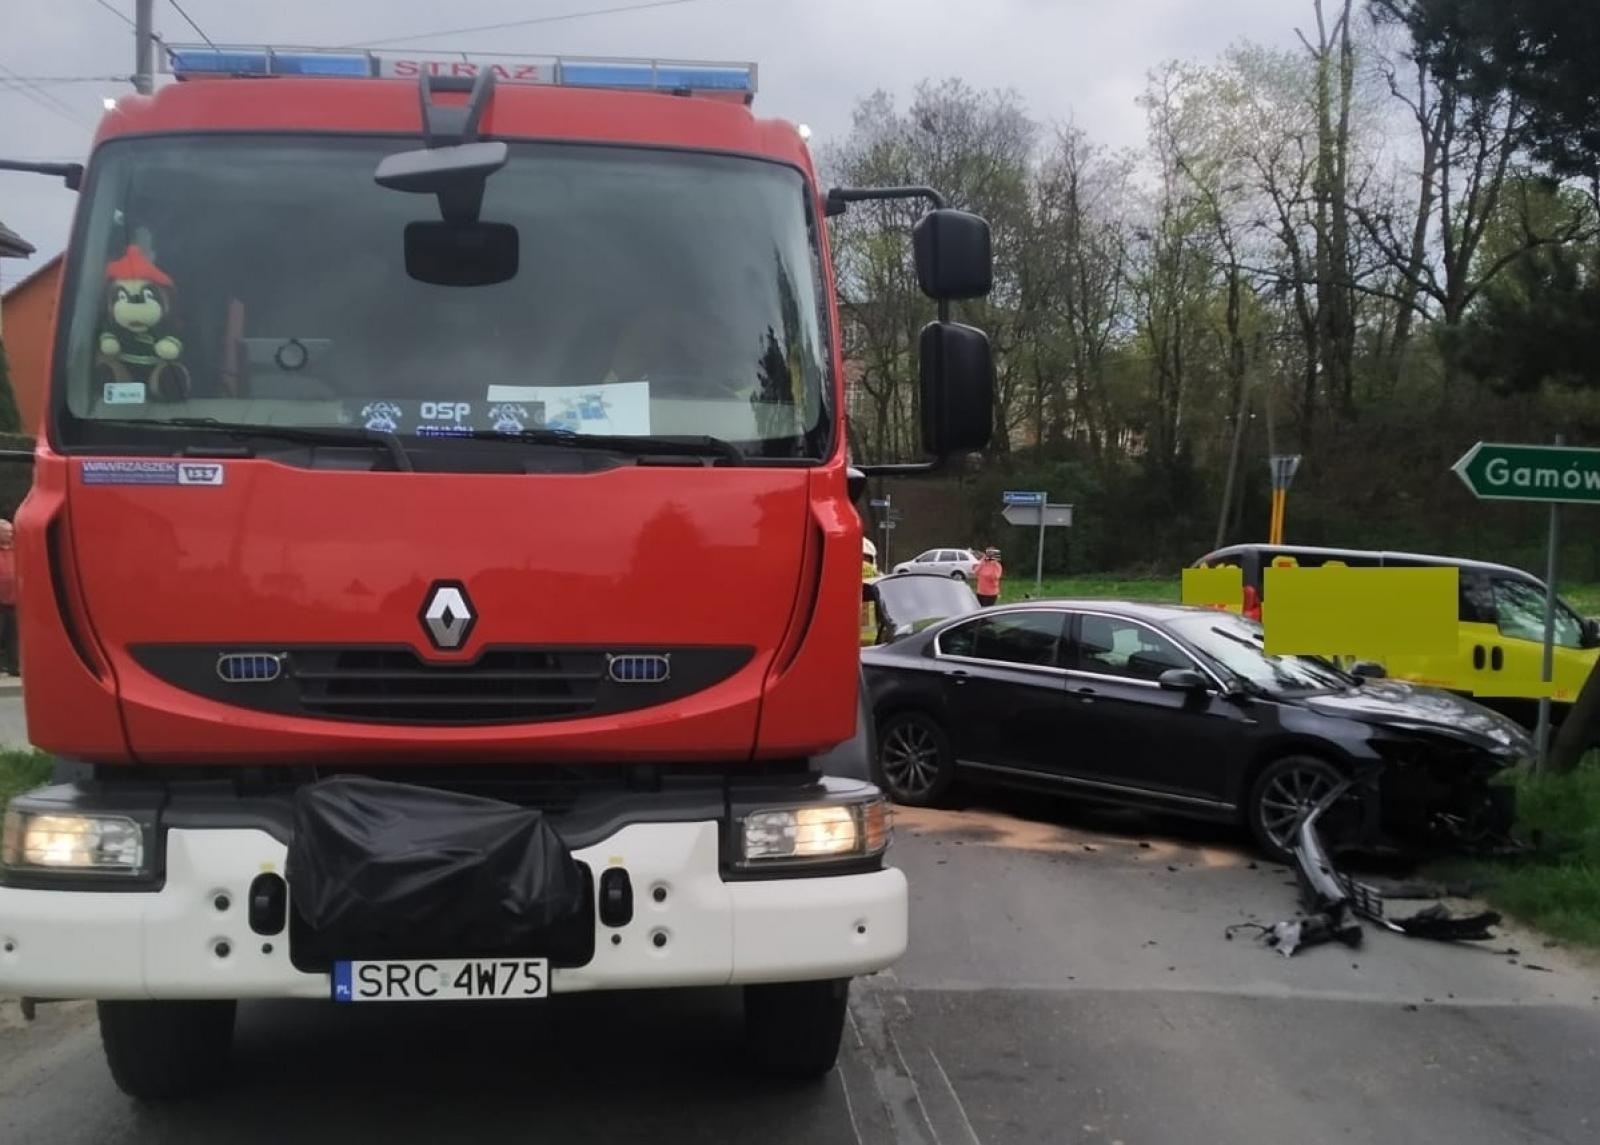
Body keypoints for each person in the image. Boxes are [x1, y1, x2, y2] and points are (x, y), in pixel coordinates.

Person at [0, 519, 17, 676]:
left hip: (14, 599)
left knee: (13, 634)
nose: (10, 534)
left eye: (11, 531)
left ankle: (14, 666)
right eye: (6, 531)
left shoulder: (17, 549)